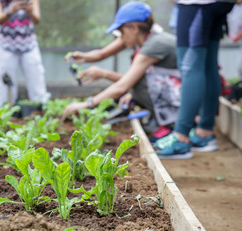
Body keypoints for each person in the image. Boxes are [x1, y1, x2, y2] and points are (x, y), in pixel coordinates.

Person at [61, 1, 181, 141]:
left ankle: (172, 125)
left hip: (182, 101)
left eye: (121, 31)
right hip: (177, 93)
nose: (120, 37)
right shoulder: (150, 37)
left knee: (135, 84)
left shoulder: (154, 45)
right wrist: (84, 57)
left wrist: (86, 103)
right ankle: (164, 122)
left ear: (134, 28)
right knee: (134, 87)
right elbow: (103, 54)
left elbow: (123, 85)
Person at [154, 0, 241, 159]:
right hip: (219, 4)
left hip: (197, 3)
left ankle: (180, 136)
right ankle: (204, 132)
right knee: (208, 66)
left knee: (190, 66)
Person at [0, 0, 49, 107]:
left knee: (38, 86)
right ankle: (5, 117)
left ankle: (42, 114)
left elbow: (37, 19)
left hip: (29, 44)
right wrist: (11, 10)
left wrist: (30, 11)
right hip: (5, 45)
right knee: (5, 88)